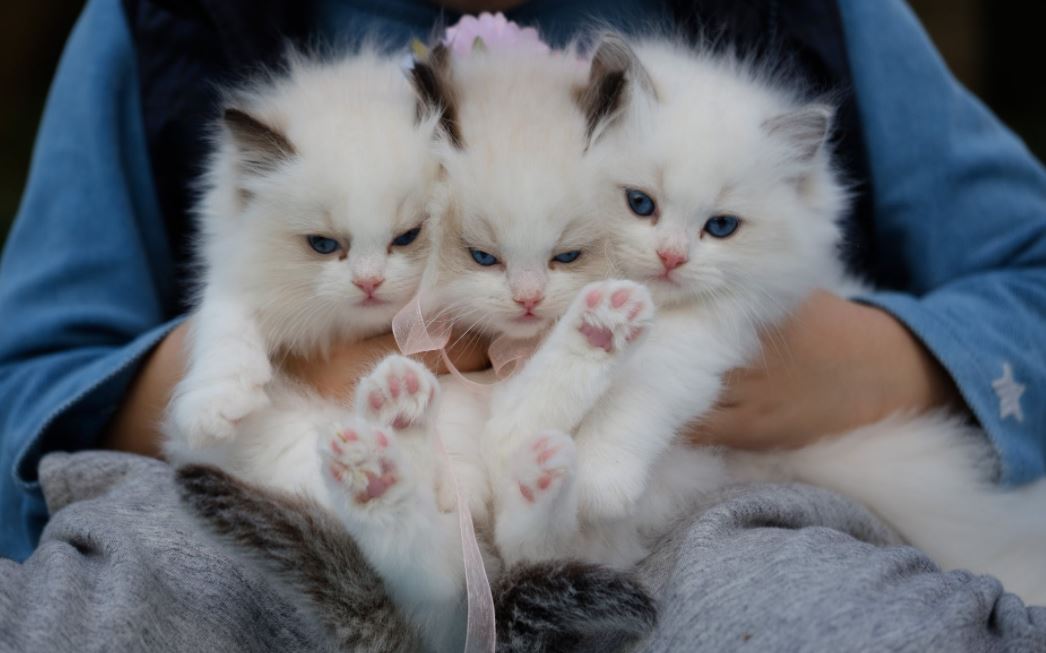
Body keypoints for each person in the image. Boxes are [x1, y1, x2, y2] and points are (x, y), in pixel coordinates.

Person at [0, 0, 1043, 649]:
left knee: (825, 611)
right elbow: (27, 377)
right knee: (127, 596)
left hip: (707, 512)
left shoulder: (812, 14)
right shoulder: (164, 20)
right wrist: (270, 355)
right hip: (290, 518)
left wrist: (876, 363)